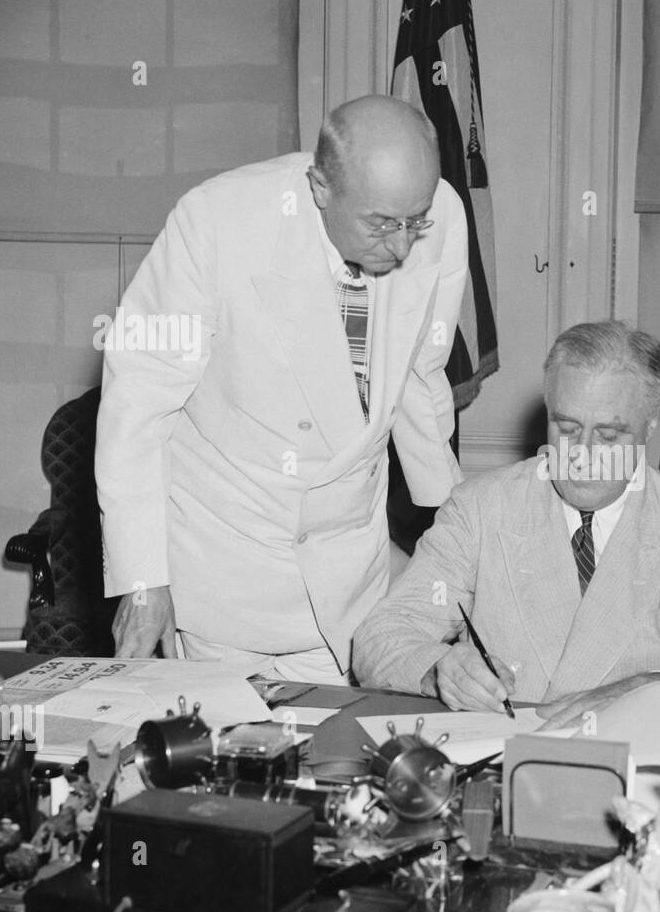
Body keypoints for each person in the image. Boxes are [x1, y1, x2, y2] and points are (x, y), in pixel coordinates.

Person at [96, 96, 467, 682]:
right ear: (319, 186)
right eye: (380, 224)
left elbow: (423, 369)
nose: (401, 247)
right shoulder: (216, 222)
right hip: (228, 566)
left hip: (353, 577)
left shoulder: (439, 212)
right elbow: (136, 407)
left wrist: (453, 525)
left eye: (412, 222)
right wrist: (143, 581)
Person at [353, 321, 660, 725]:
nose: (583, 453)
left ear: (652, 420)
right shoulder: (481, 509)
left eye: (610, 435)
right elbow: (381, 636)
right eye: (567, 427)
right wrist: (437, 670)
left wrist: (648, 688)